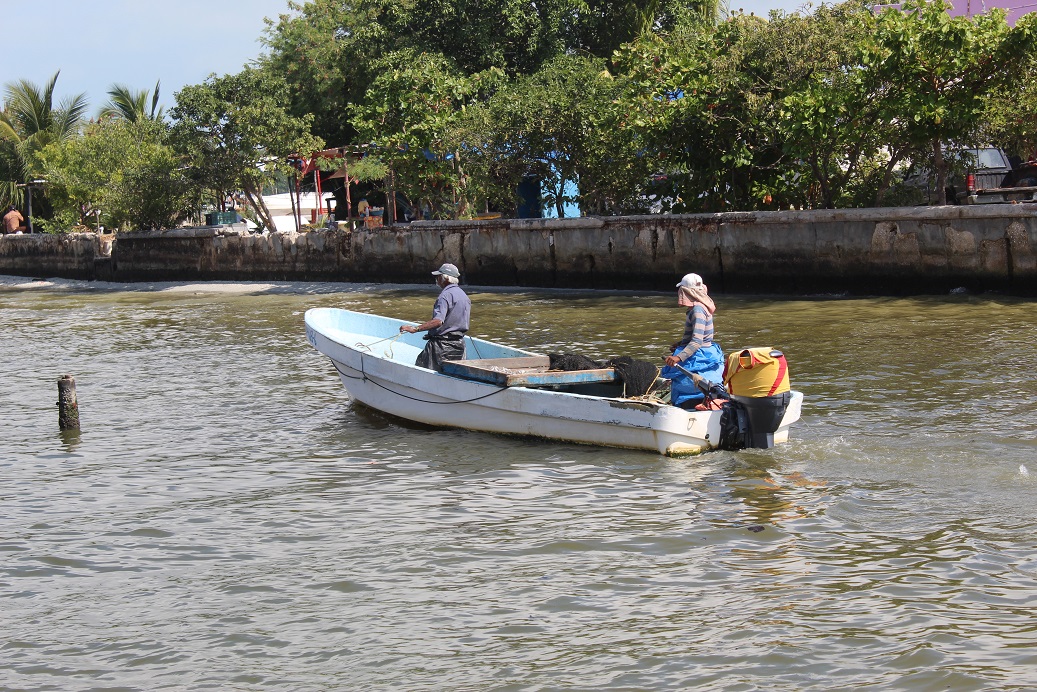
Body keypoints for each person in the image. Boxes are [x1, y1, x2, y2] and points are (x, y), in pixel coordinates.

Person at [660, 272, 725, 407]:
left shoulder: (698, 310)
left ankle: (694, 404)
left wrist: (678, 357)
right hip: (706, 351)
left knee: (687, 384)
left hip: (700, 354)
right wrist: (680, 344)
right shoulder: (700, 307)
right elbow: (700, 335)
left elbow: (697, 342)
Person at [399, 263, 471, 372]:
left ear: (445, 278)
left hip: (441, 346)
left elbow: (438, 321)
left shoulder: (445, 296)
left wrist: (415, 329)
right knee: (452, 374)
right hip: (459, 344)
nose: (437, 279)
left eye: (438, 276)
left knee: (421, 370)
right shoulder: (464, 296)